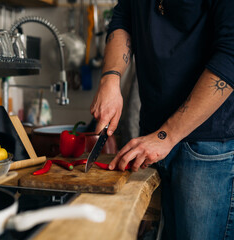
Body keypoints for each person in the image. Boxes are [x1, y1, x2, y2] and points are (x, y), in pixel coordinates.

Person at [90, 1, 234, 239]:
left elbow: (231, 54)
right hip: (152, 139)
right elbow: (124, 16)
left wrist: (166, 136)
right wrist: (110, 78)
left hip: (207, 148)